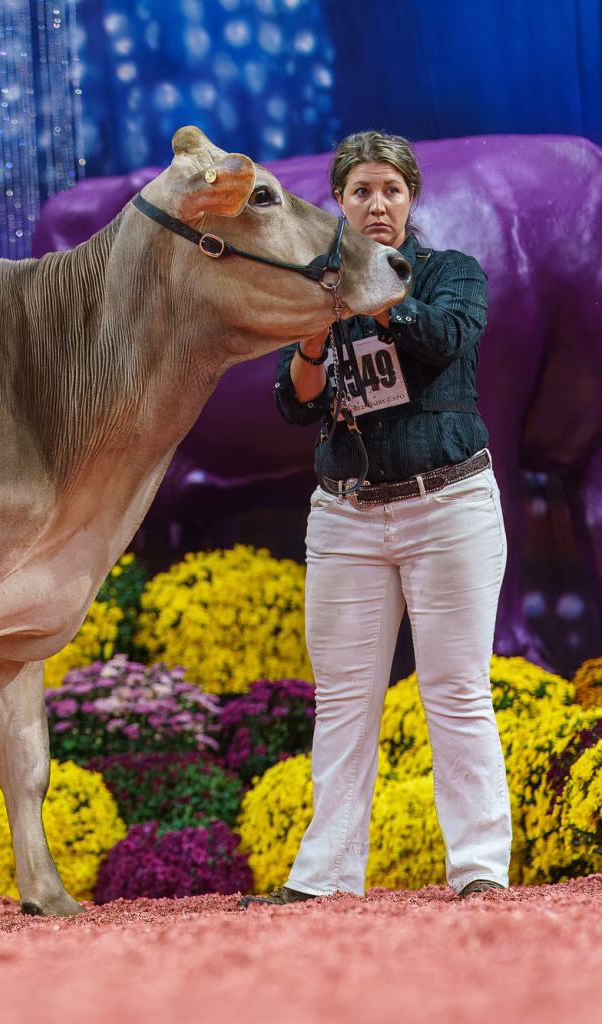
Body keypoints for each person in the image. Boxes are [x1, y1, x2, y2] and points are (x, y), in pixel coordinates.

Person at [244, 130, 509, 905]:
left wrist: (372, 286)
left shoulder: (451, 272)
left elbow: (444, 339)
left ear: (411, 197)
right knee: (342, 700)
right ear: (340, 202)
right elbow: (296, 404)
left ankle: (480, 869)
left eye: (391, 189)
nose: (378, 204)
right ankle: (324, 877)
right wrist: (311, 336)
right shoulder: (318, 291)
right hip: (347, 517)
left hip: (448, 505)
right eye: (361, 191)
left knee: (456, 690)